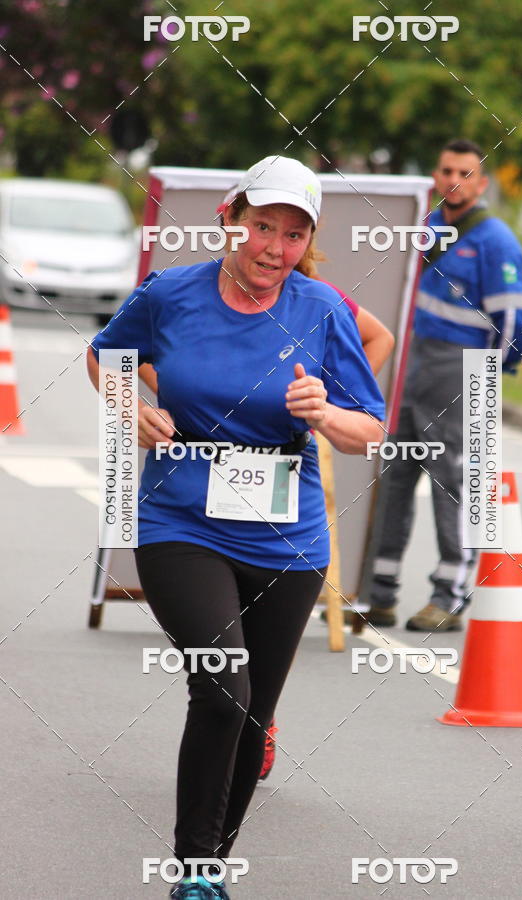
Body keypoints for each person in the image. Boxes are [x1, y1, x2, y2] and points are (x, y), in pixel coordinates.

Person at [86, 155, 386, 899]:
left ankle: (210, 866)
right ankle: (193, 872)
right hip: (181, 520)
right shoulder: (171, 294)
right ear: (230, 219)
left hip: (287, 542)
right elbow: (105, 359)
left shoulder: (320, 310)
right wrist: (132, 408)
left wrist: (325, 414)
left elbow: (369, 429)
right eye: (261, 228)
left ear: (305, 242)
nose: (272, 250)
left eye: (291, 236)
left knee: (252, 722)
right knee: (222, 686)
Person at [360, 138, 522, 632]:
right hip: (411, 369)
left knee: (453, 484)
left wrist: (485, 382)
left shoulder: (496, 240)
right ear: (435, 175)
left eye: (464, 172)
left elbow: (513, 321)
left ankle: (449, 596)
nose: (453, 180)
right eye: (445, 170)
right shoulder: (425, 228)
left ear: (480, 183)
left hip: (462, 373)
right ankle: (380, 593)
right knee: (392, 480)